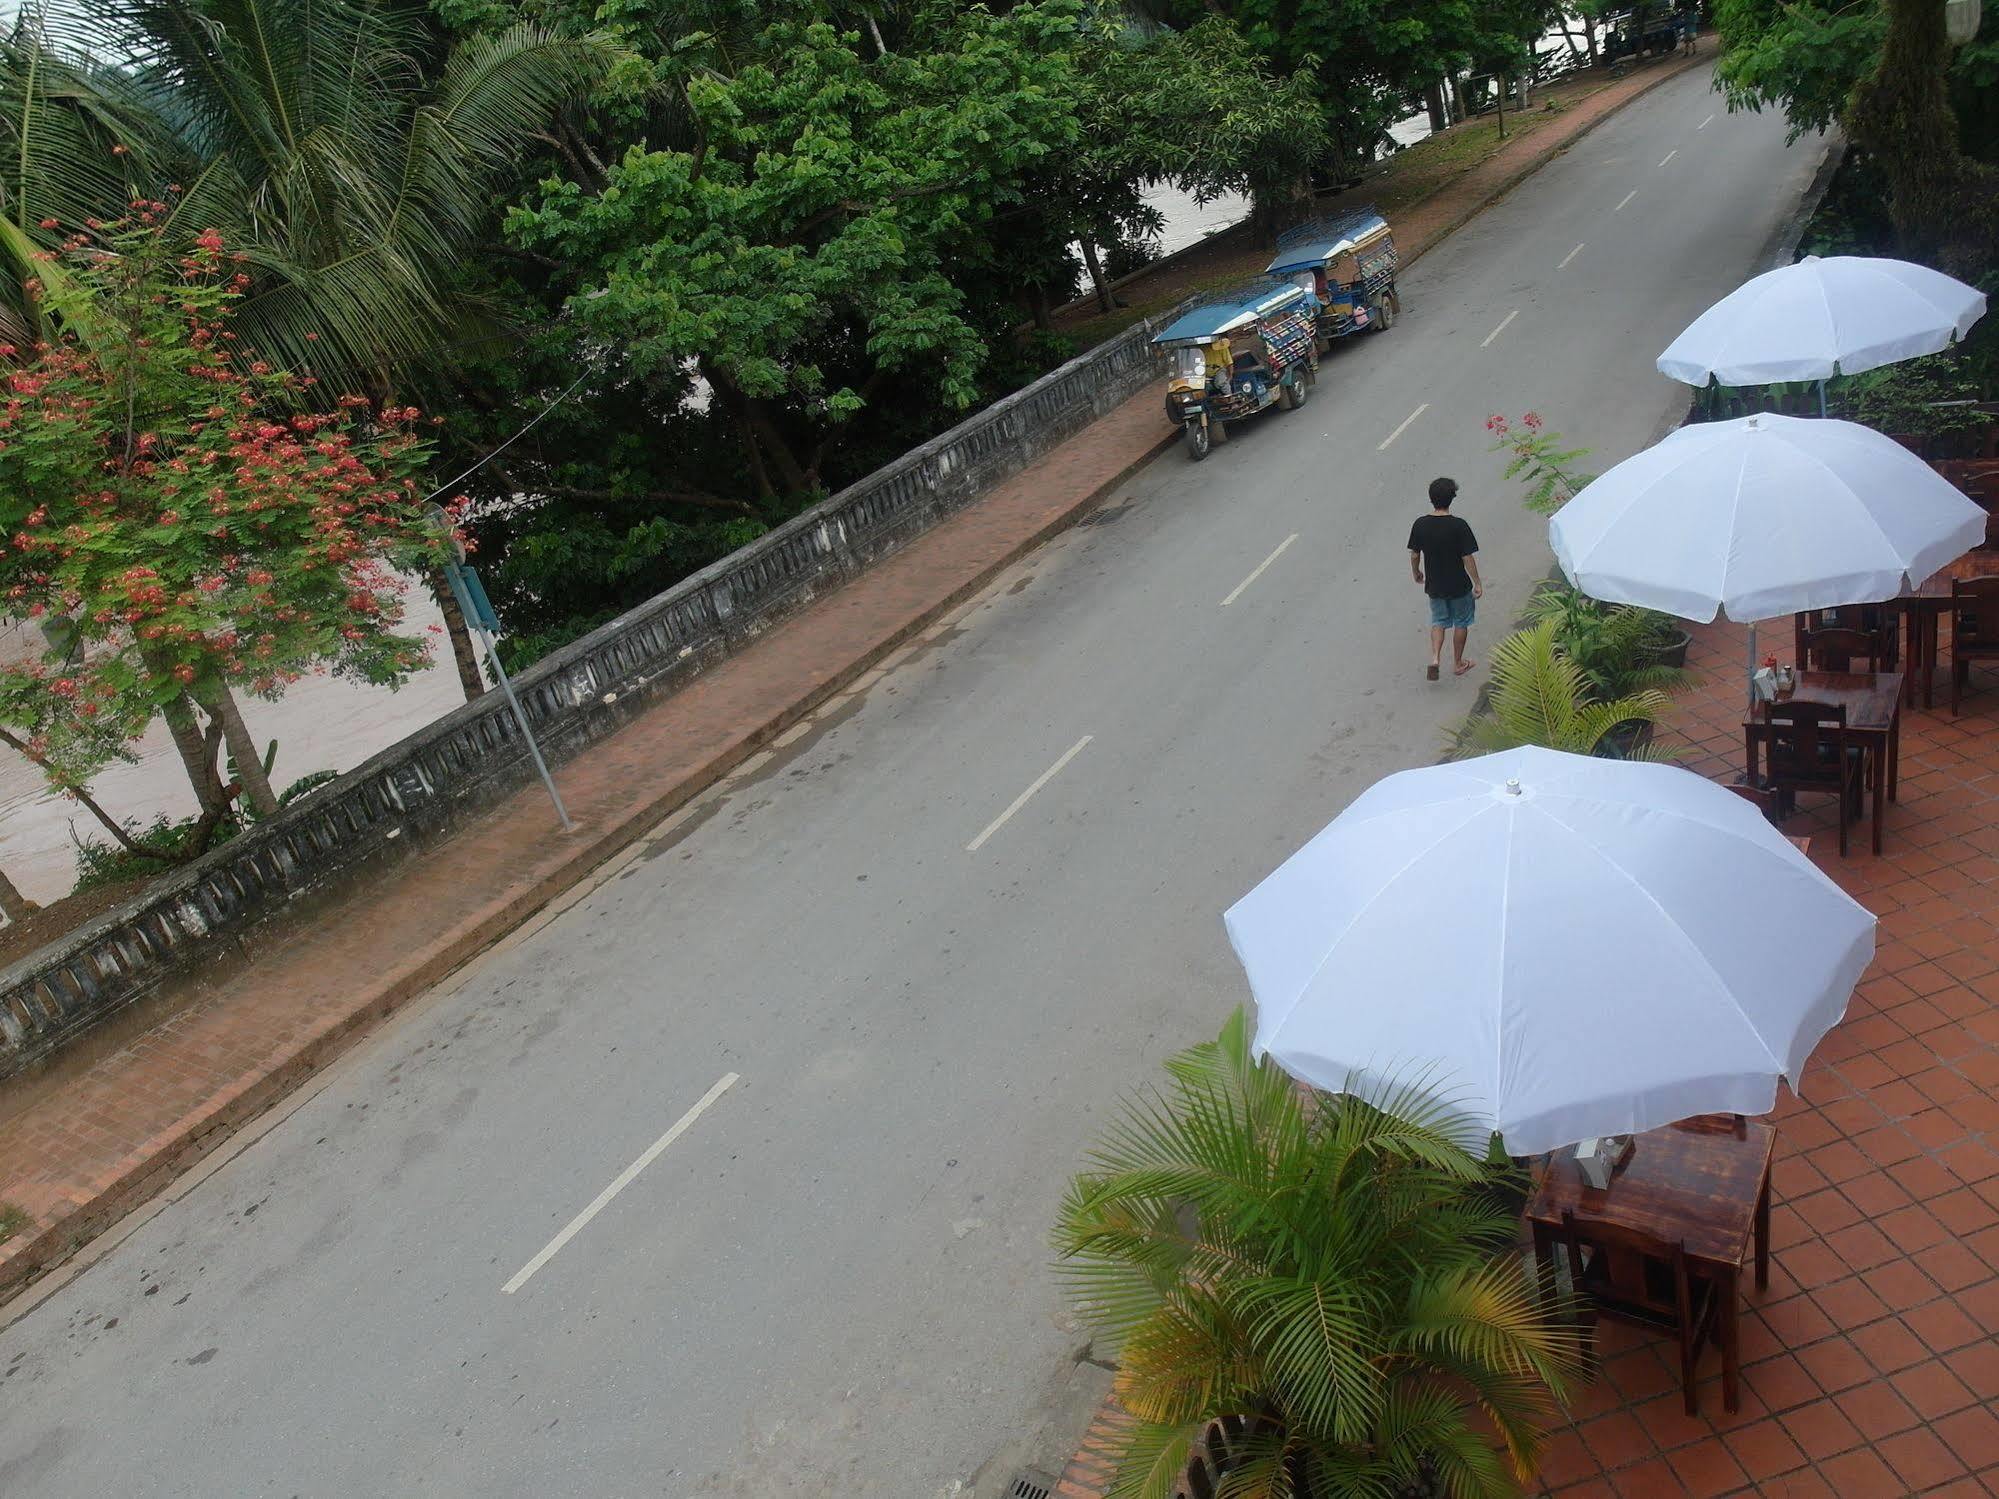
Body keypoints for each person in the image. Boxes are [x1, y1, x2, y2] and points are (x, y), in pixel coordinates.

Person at [1407, 476, 1482, 681]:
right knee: (1461, 622)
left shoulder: (1420, 524)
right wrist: (1477, 582)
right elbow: (1467, 557)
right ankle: (1458, 663)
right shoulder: (1459, 526)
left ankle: (1434, 658)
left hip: (1435, 585)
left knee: (1438, 621)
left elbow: (1414, 554)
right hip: (1458, 585)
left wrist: (1416, 572)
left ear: (1431, 498)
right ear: (1452, 498)